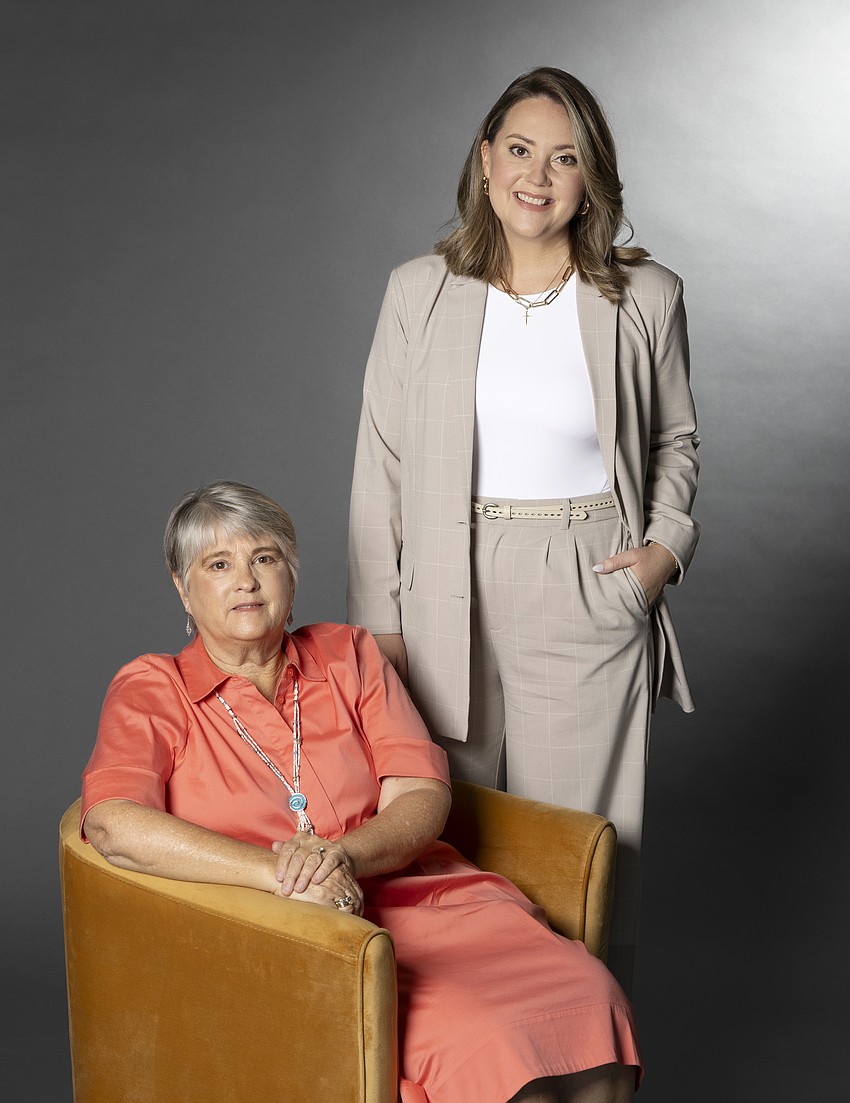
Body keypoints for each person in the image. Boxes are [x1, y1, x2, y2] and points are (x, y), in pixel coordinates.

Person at [81, 481, 640, 1103]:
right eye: (218, 564)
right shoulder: (153, 687)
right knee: (494, 1055)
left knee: (593, 998)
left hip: (428, 900)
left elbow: (421, 794)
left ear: (291, 575)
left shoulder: (350, 653)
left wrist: (342, 855)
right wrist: (280, 874)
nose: (246, 580)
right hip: (291, 929)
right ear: (183, 588)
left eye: (264, 558)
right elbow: (112, 822)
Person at [347, 67, 700, 988]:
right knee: (446, 848)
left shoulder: (644, 296)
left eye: (565, 157)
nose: (536, 176)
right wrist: (381, 622)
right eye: (518, 149)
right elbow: (379, 464)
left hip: (588, 575)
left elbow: (677, 440)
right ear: (484, 159)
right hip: (439, 587)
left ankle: (583, 1070)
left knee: (578, 855)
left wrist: (661, 556)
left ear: (593, 179)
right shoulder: (417, 291)